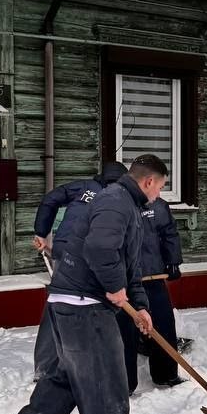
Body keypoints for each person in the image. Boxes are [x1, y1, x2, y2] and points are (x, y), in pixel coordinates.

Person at [0, 155, 167, 414]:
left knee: (71, 377)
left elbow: (129, 265)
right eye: (160, 188)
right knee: (109, 382)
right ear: (149, 182)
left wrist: (140, 306)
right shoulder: (117, 202)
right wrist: (114, 288)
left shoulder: (119, 202)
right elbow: (101, 249)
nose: (159, 196)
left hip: (68, 300)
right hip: (85, 305)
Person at [31, 161, 129, 379]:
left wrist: (41, 231)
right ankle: (104, 359)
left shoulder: (84, 187)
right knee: (106, 301)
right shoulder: (118, 196)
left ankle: (45, 366)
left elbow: (50, 199)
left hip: (64, 249)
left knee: (58, 303)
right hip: (90, 253)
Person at [117, 194, 185, 391]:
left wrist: (173, 261)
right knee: (124, 333)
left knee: (163, 325)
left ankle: (166, 374)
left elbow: (169, 233)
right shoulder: (114, 205)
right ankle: (124, 383)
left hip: (152, 276)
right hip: (124, 282)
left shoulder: (158, 205)